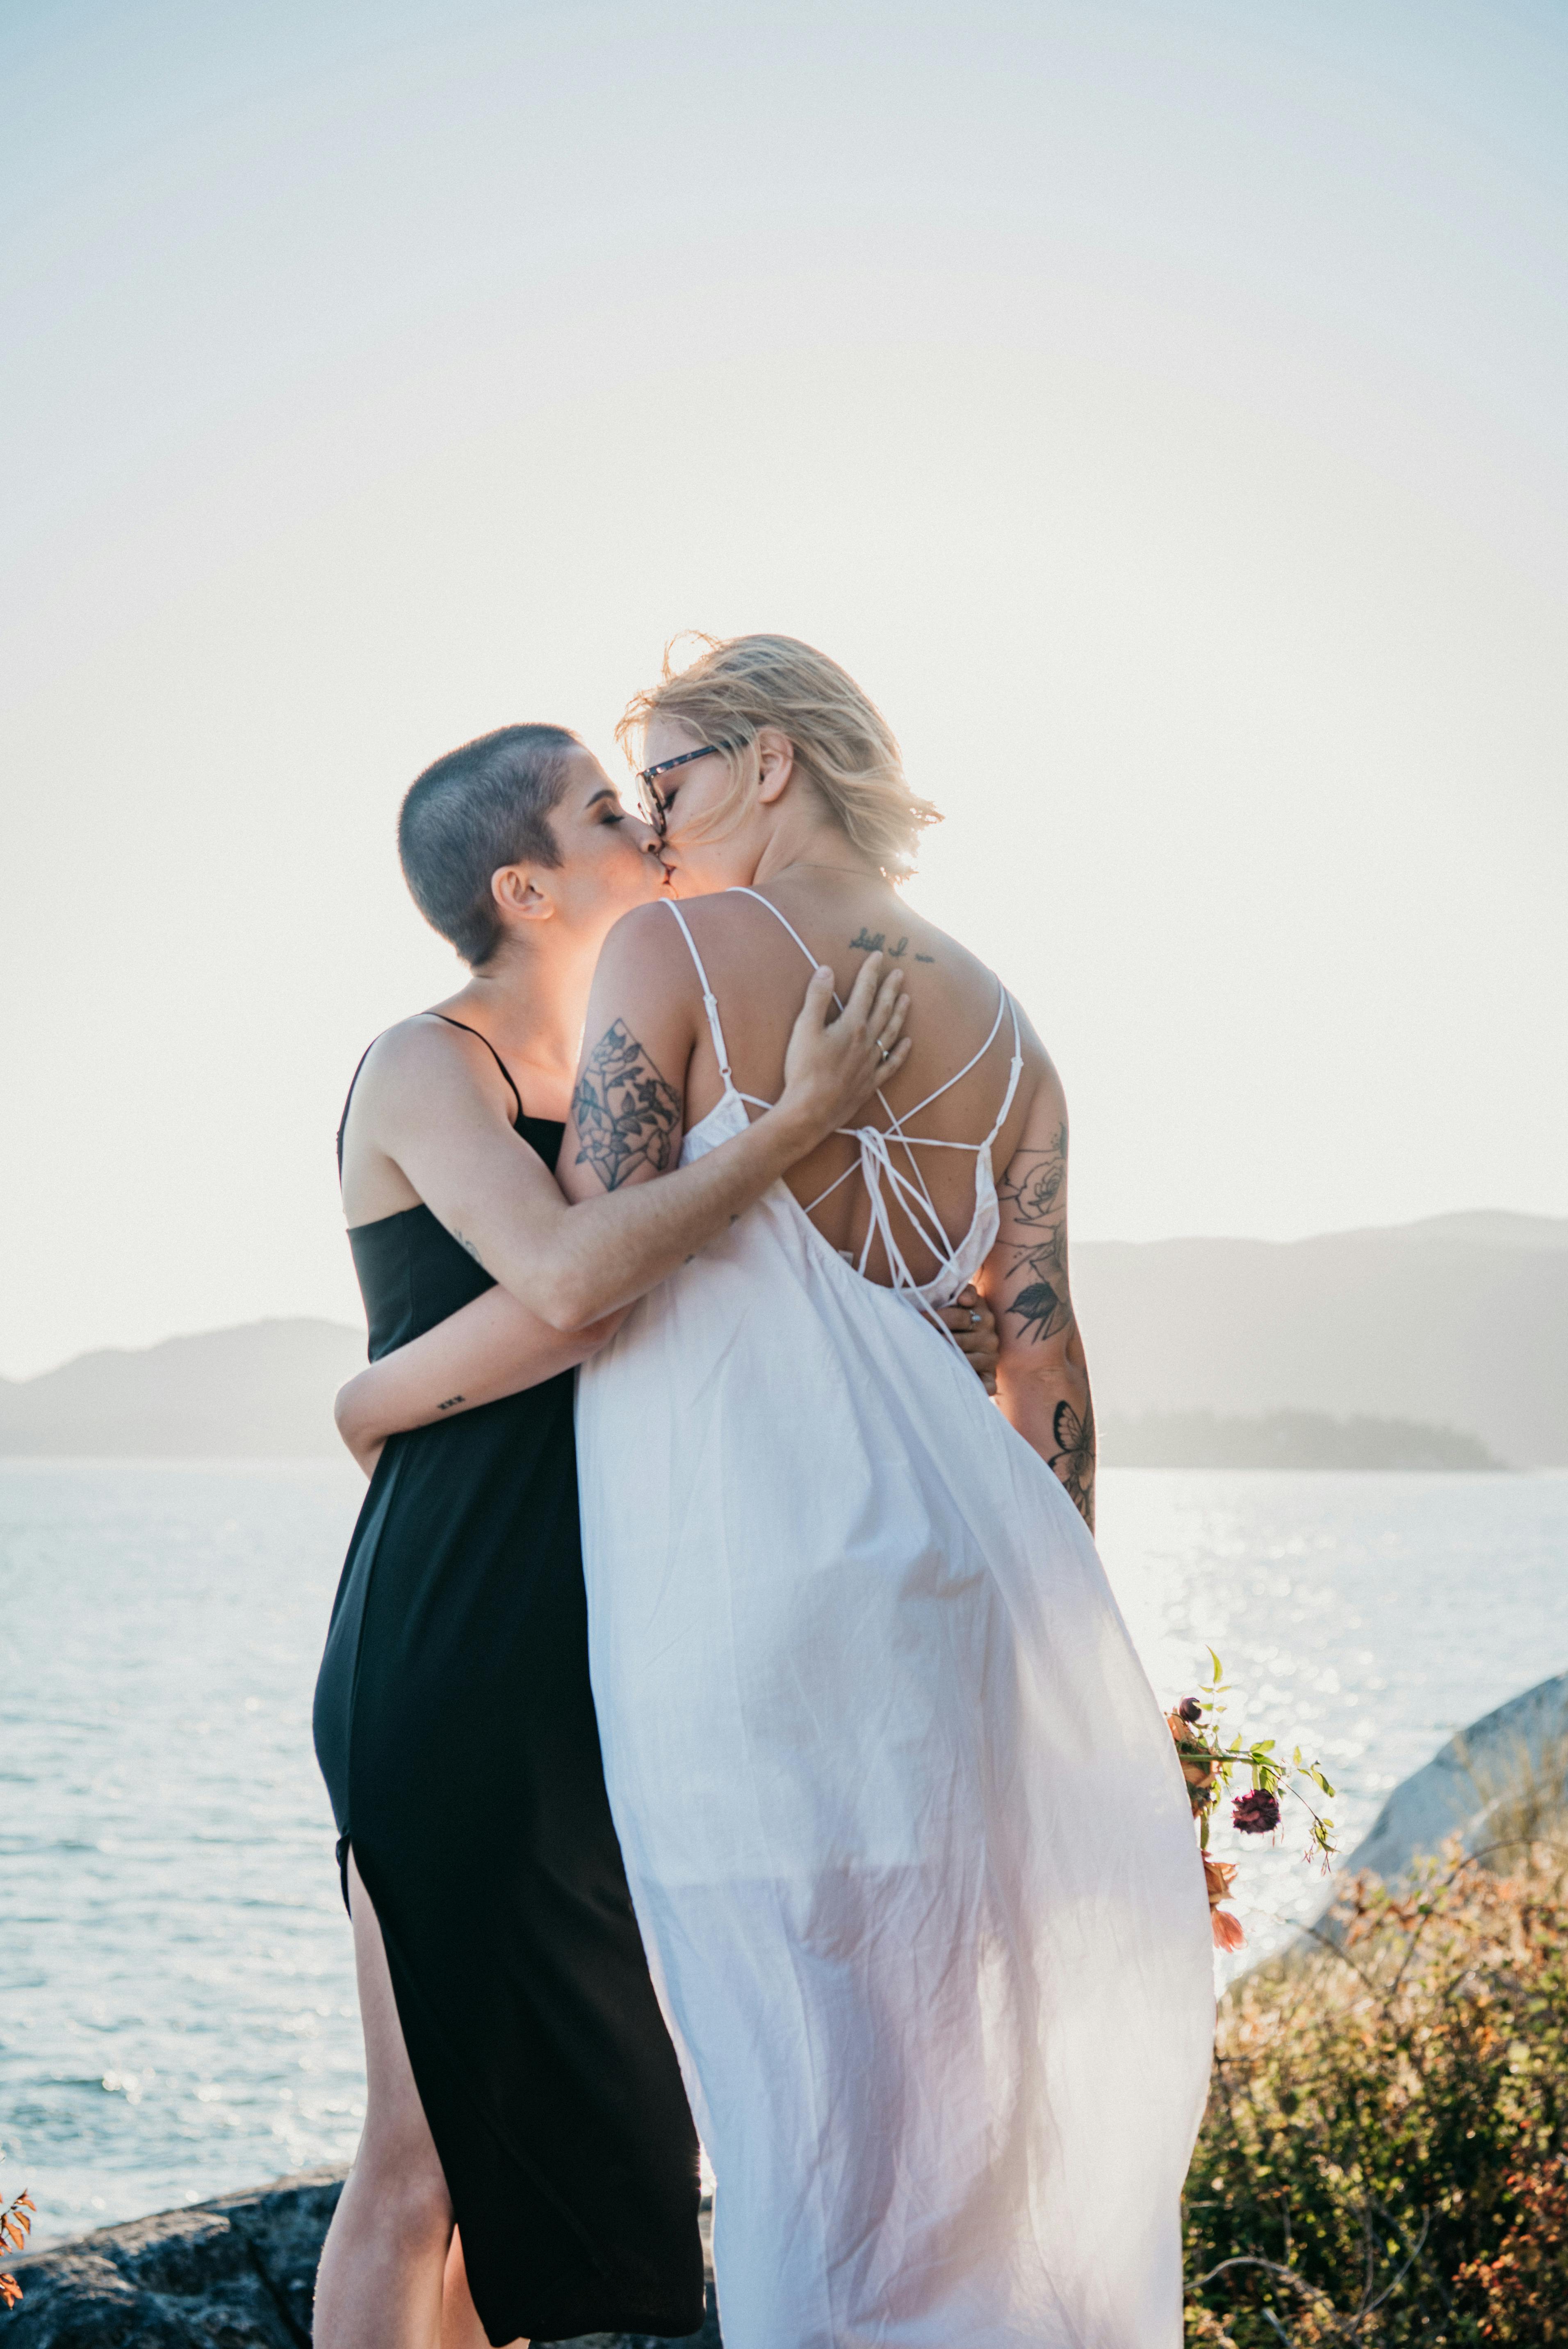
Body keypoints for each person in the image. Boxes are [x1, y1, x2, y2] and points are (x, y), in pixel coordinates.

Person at [349, 641, 1213, 2348]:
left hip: (747, 1598)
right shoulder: (1010, 1028)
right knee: (952, 2086)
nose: (653, 831)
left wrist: (376, 1390)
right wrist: (1064, 1640)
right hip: (968, 1596)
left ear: (765, 766)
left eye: (660, 783)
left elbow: (588, 1264)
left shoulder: (673, 946)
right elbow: (1037, 1358)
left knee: (792, 2095)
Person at [316, 722, 998, 2349]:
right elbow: (568, 1291)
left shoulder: (625, 1071)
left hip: (609, 1648)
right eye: (610, 811)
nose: (650, 826)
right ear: (527, 886)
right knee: (420, 2159)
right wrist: (786, 1125)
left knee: (554, 2153)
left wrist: (370, 1397)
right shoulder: (432, 1063)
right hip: (462, 1642)